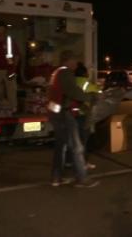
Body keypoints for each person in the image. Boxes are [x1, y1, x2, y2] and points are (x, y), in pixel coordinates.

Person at [47, 50, 100, 188]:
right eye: (75, 60)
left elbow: (60, 94)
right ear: (68, 60)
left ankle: (56, 178)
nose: (76, 64)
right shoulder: (65, 73)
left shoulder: (56, 73)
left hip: (55, 113)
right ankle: (82, 179)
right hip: (63, 115)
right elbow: (73, 92)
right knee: (77, 147)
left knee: (61, 146)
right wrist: (91, 97)